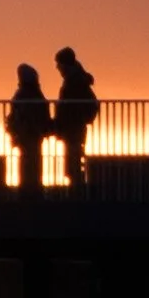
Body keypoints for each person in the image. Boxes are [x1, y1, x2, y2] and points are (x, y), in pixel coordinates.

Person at [53, 47, 99, 190]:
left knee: (73, 160)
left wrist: (66, 118)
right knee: (74, 159)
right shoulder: (77, 79)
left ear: (65, 64)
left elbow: (72, 105)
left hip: (73, 127)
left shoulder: (75, 81)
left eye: (59, 64)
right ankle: (76, 188)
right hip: (74, 127)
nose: (57, 68)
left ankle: (76, 191)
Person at [5, 64, 52, 195]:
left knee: (27, 161)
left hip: (27, 133)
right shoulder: (36, 93)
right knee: (34, 161)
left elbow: (18, 113)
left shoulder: (22, 94)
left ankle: (27, 190)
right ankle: (34, 188)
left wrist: (15, 128)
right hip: (35, 133)